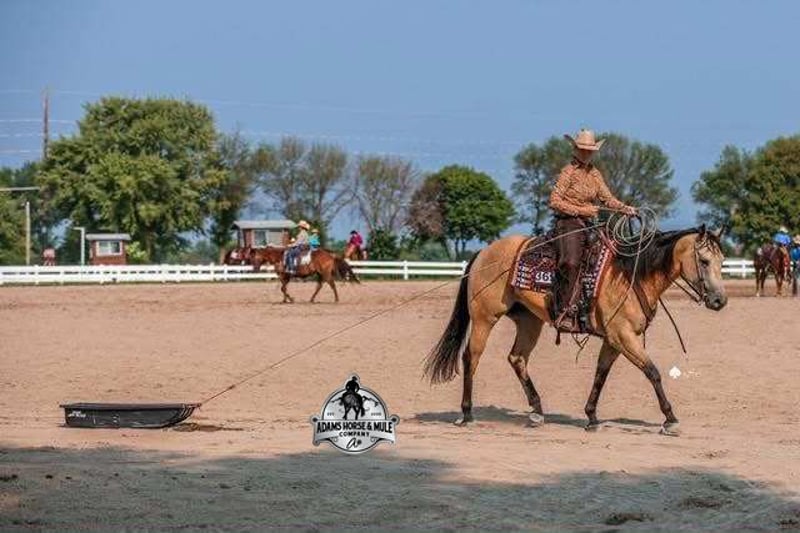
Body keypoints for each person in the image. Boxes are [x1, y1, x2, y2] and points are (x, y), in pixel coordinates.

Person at [549, 129, 637, 330]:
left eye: (590, 150)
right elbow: (554, 201)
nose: (586, 153)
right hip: (568, 223)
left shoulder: (595, 174)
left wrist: (626, 209)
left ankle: (598, 307)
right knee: (571, 262)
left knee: (610, 258)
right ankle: (565, 310)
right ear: (575, 150)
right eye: (583, 149)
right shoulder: (568, 172)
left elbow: (607, 199)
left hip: (590, 224)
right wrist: (582, 210)